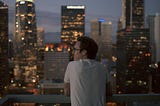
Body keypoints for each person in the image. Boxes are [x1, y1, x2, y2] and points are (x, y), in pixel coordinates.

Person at [64, 36, 111, 106]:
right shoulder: (102, 67)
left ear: (84, 52)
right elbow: (109, 92)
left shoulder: (72, 65)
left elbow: (67, 92)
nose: (73, 52)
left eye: (75, 49)